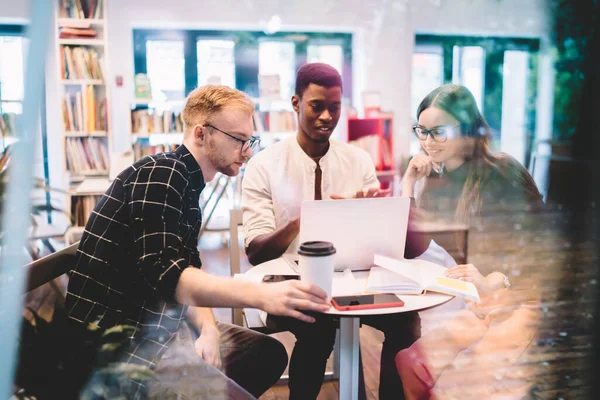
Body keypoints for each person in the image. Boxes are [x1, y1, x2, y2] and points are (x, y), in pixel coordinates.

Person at [64, 85, 331, 399]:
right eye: (239, 140)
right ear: (202, 134)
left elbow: (186, 268)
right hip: (119, 350)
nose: (247, 152)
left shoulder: (184, 184)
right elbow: (167, 274)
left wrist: (207, 328)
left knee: (267, 353)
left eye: (250, 140)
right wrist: (259, 295)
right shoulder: (161, 174)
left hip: (155, 329)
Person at [242, 63, 420, 400]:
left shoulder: (358, 160)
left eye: (335, 108)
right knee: (318, 329)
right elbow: (256, 251)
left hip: (354, 278)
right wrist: (302, 219)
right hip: (292, 281)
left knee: (406, 323)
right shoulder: (264, 165)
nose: (327, 116)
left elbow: (382, 246)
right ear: (296, 103)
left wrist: (370, 213)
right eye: (316, 106)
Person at [396, 83, 543, 399]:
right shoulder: (436, 181)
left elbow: (542, 247)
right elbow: (413, 247)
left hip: (518, 300)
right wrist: (408, 182)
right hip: (481, 303)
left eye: (439, 132)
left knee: (454, 387)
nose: (427, 142)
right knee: (409, 362)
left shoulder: (504, 172)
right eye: (422, 131)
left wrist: (495, 279)